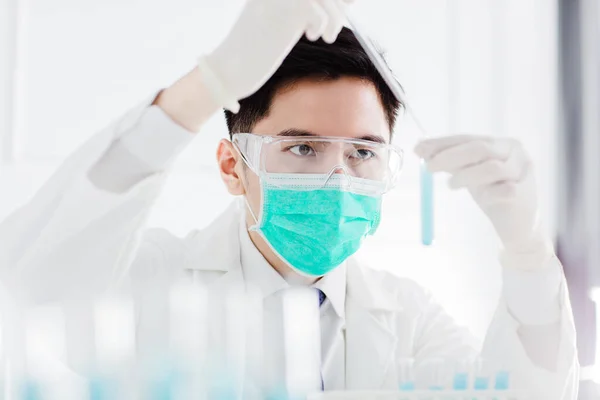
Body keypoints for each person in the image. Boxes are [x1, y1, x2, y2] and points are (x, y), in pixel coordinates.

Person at [0, 0, 577, 397]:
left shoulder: (410, 318)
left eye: (364, 153)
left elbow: (528, 397)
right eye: (303, 150)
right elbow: (26, 285)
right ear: (233, 166)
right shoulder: (151, 281)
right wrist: (210, 83)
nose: (338, 177)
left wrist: (525, 249)